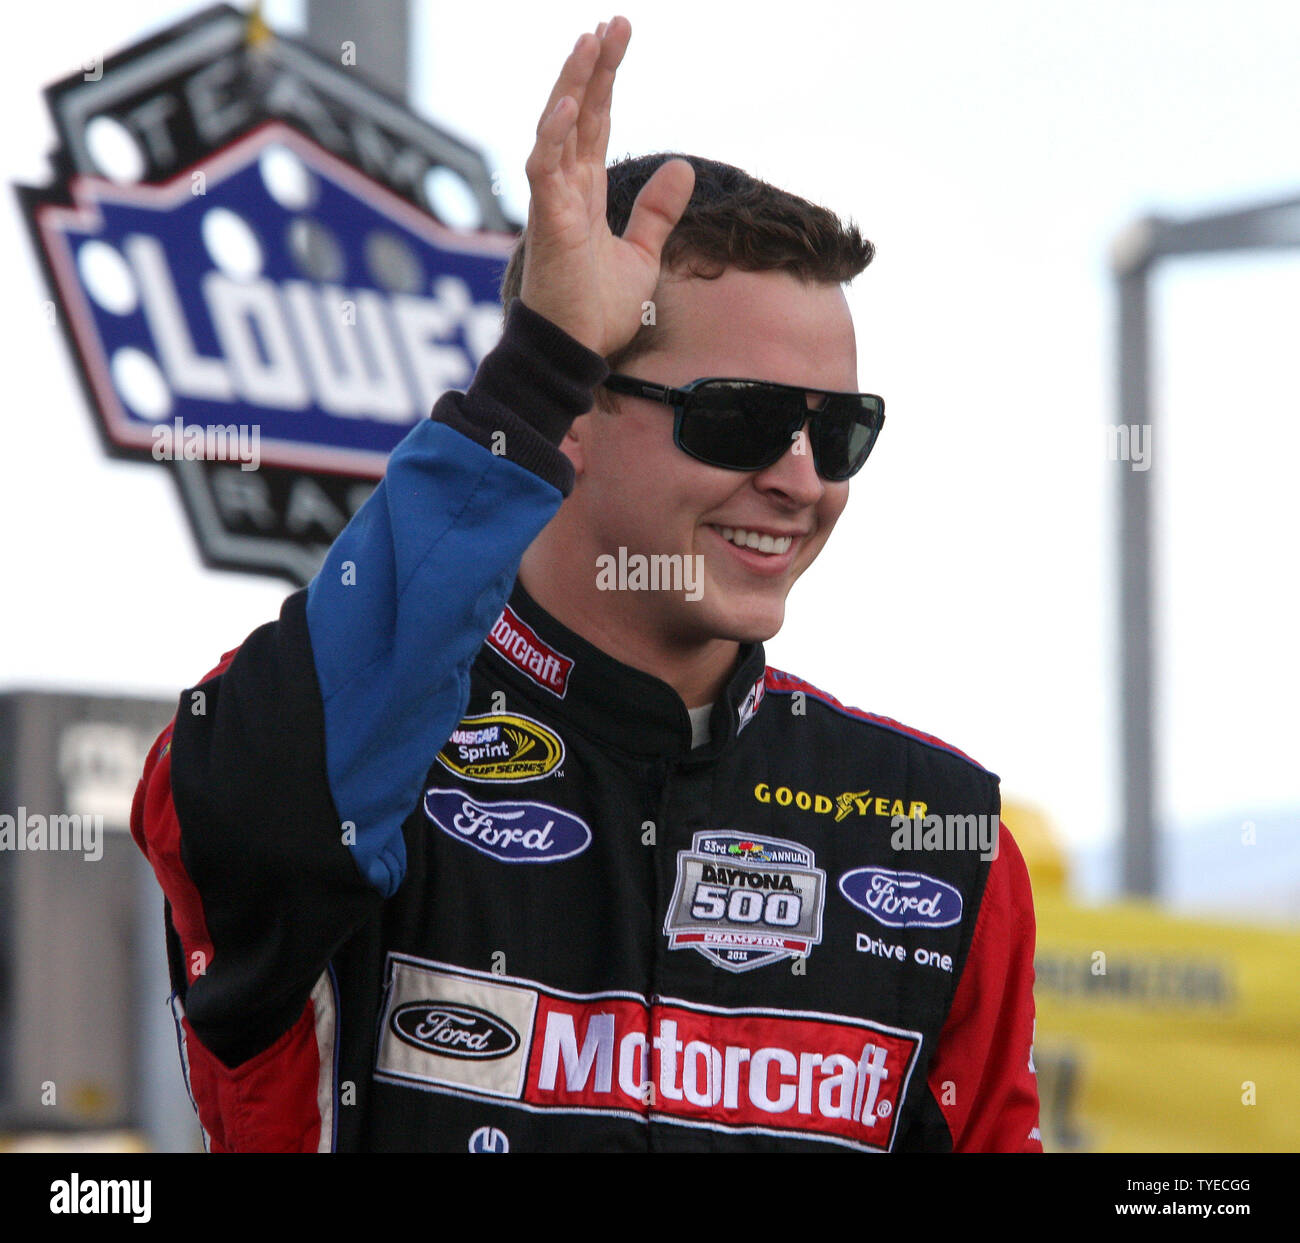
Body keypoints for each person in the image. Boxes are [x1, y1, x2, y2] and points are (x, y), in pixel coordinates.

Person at [131, 16, 1041, 1153]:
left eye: (840, 431)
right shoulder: (338, 770)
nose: (799, 480)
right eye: (742, 420)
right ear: (572, 416)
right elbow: (249, 787)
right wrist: (532, 368)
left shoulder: (940, 835)